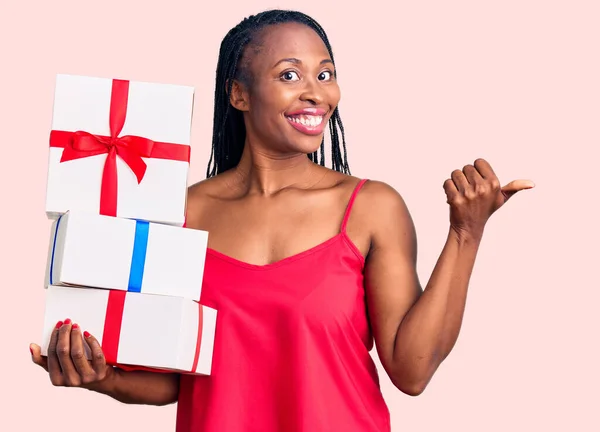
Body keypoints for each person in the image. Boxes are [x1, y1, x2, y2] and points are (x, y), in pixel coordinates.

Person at [30, 9, 534, 432]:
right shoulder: (177, 215)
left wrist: (466, 233)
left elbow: (412, 370)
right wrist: (101, 375)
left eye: (326, 73)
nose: (316, 93)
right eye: (289, 75)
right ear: (239, 95)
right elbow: (177, 378)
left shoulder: (371, 207)